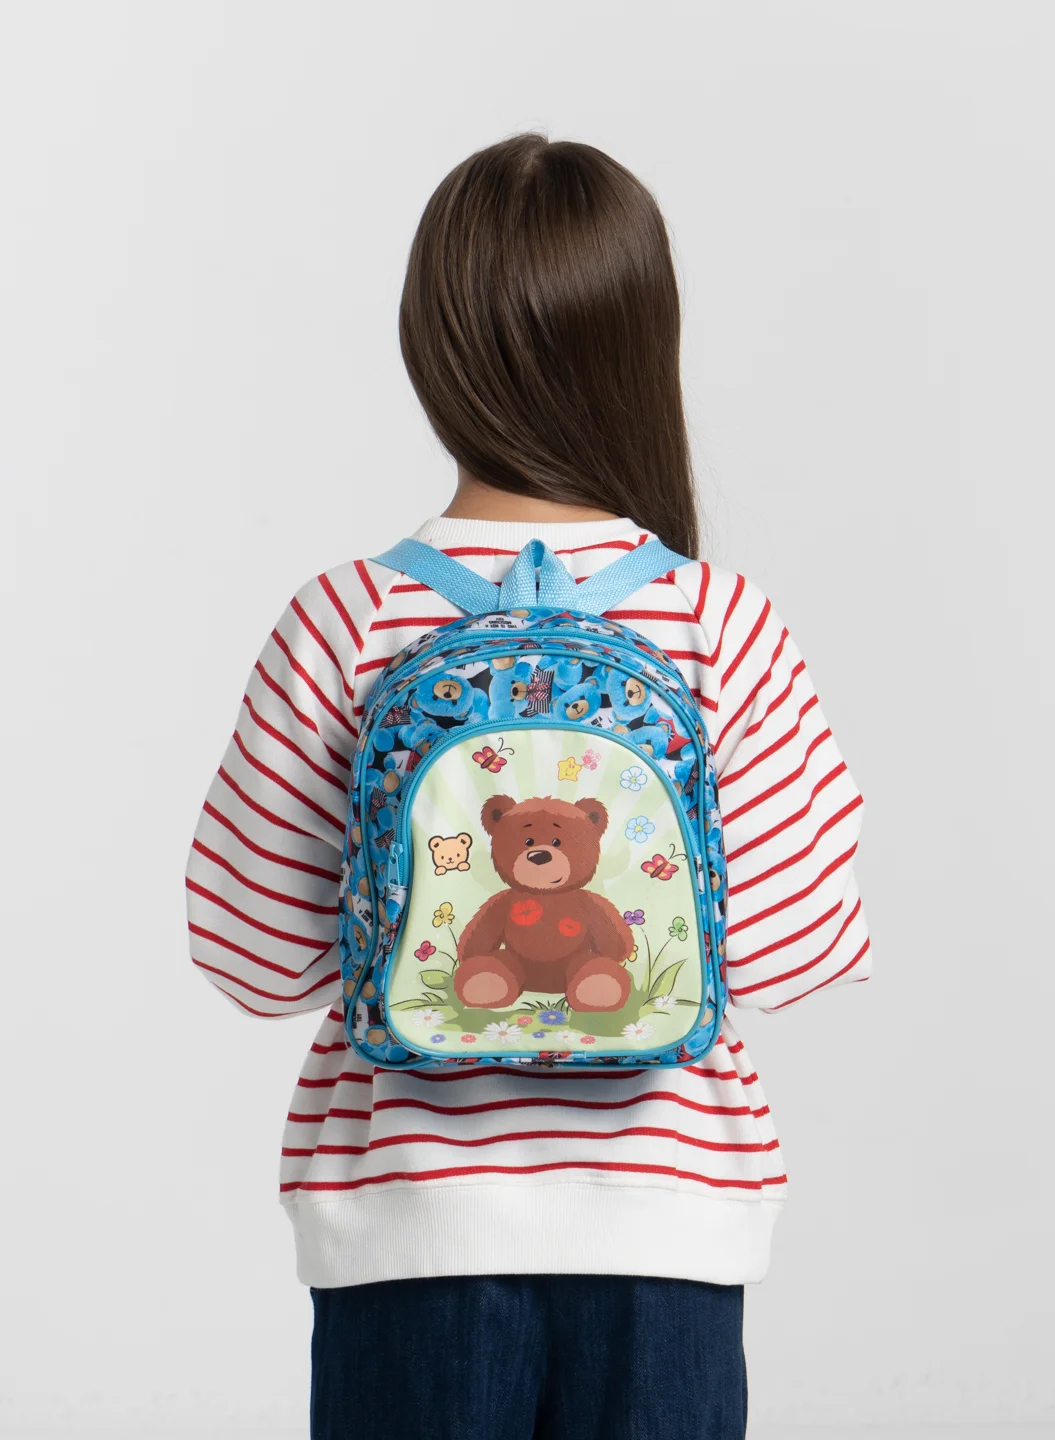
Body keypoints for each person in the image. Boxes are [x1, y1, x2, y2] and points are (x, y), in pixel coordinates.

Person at [185, 133, 871, 1440]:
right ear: (643, 343)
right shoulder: (720, 621)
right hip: (669, 1223)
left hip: (405, 1227)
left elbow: (250, 958)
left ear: (428, 341)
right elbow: (795, 953)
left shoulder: (344, 617)